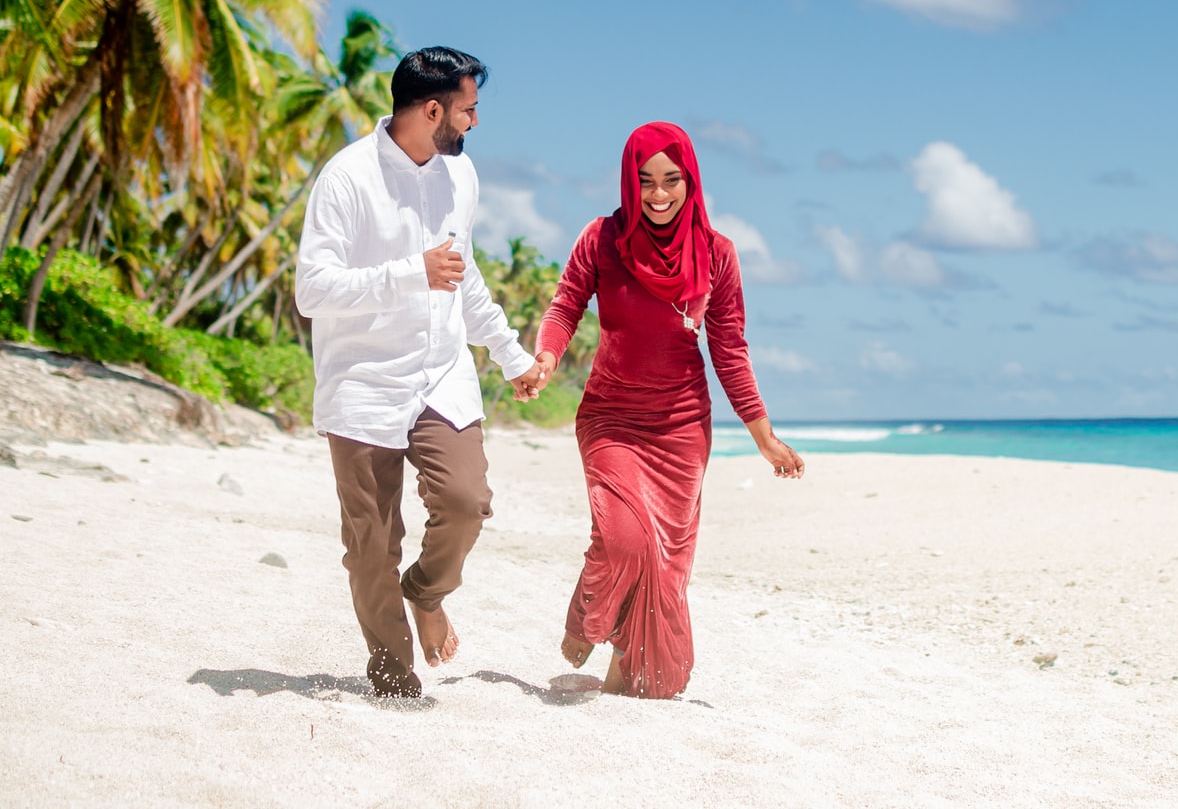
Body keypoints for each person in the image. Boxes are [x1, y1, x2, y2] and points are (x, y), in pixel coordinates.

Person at [522, 121, 802, 698]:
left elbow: (729, 350)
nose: (657, 194)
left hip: (680, 428)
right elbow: (566, 303)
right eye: (645, 180)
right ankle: (586, 615)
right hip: (612, 417)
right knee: (625, 539)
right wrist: (547, 356)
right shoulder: (601, 238)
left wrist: (764, 438)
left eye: (671, 180)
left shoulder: (718, 254)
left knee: (665, 564)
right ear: (629, 180)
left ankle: (627, 669)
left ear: (690, 180)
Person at [294, 46, 543, 698]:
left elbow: (465, 277)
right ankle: (392, 671)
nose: (476, 123)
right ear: (432, 110)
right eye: (469, 110)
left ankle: (426, 593)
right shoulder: (346, 177)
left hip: (440, 375)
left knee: (465, 503)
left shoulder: (461, 179)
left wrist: (511, 355)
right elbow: (311, 291)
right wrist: (411, 274)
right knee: (371, 544)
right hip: (362, 385)